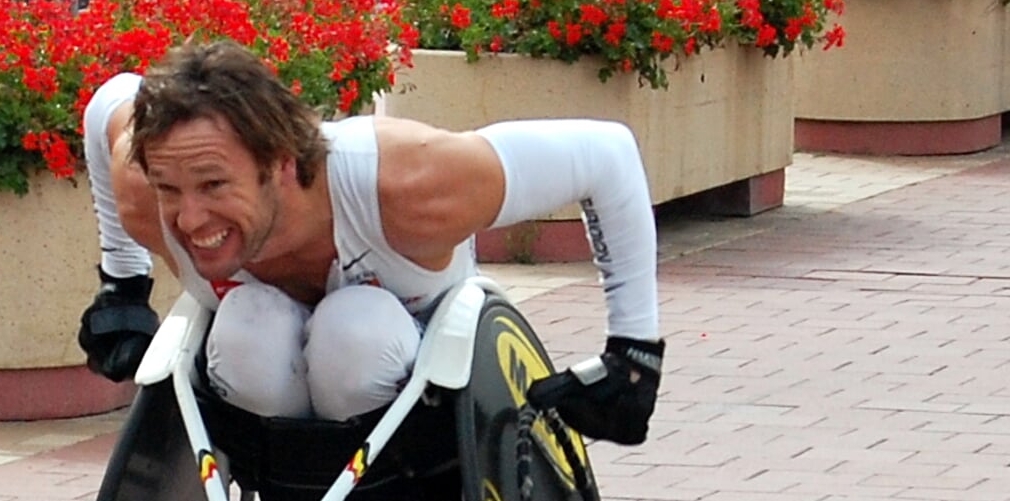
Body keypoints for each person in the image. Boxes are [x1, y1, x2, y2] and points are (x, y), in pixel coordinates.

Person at [76, 41, 664, 444]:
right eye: (171, 188)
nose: (190, 217)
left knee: (353, 333)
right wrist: (121, 285)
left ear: (281, 164)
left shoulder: (407, 182)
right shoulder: (149, 184)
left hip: (402, 355)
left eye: (214, 185)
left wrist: (633, 351)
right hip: (257, 364)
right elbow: (110, 97)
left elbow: (606, 153)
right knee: (249, 324)